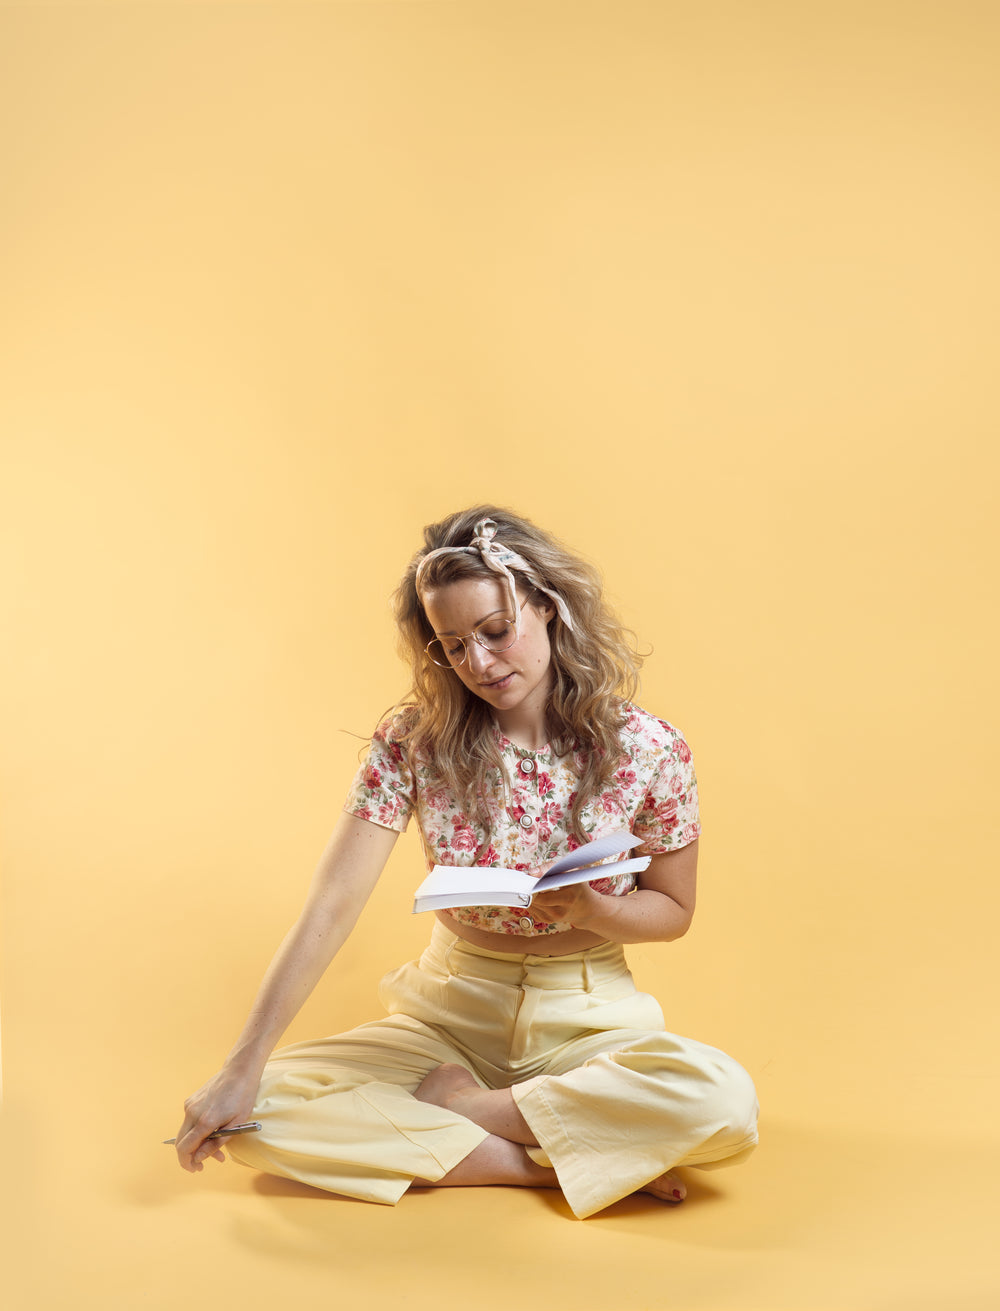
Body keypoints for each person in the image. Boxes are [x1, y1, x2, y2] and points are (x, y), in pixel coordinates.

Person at [174, 506, 758, 1218]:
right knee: (257, 1117)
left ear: (545, 606)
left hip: (591, 1016)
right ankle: (544, 1166)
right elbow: (332, 903)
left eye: (495, 631)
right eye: (452, 645)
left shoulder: (648, 746)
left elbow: (674, 910)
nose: (479, 663)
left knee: (723, 1100)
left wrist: (595, 909)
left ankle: (467, 1108)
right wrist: (242, 1067)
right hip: (446, 1011)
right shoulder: (413, 740)